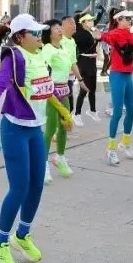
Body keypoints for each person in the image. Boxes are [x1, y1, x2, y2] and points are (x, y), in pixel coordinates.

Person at [0, 15, 72, 263]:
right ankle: (0, 243)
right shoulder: (14, 56)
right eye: (34, 33)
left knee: (37, 185)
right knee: (19, 188)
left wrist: (63, 111)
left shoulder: (40, 56)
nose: (40, 36)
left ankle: (22, 235)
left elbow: (47, 88)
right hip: (15, 129)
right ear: (20, 36)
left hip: (35, 130)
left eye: (40, 32)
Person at [100, 9, 133, 164]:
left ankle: (125, 143)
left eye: (131, 18)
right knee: (117, 112)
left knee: (132, 110)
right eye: (127, 18)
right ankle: (111, 148)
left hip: (128, 76)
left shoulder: (129, 34)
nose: (130, 21)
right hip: (117, 76)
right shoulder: (115, 33)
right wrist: (96, 33)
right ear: (119, 19)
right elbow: (104, 36)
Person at [40, 18, 84, 182]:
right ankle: (42, 164)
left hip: (64, 90)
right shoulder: (47, 50)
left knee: (65, 125)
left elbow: (72, 64)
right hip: (51, 93)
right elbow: (43, 72)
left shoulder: (64, 47)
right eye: (56, 28)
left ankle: (60, 157)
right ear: (49, 33)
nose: (59, 30)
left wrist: (80, 80)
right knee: (50, 129)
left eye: (60, 27)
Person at [73, 6, 105, 125]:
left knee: (93, 89)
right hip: (83, 62)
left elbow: (97, 38)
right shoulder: (78, 33)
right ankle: (77, 114)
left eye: (92, 20)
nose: (92, 21)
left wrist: (100, 13)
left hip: (92, 62)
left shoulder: (90, 31)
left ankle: (92, 110)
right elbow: (88, 43)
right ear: (83, 22)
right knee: (84, 89)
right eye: (89, 20)